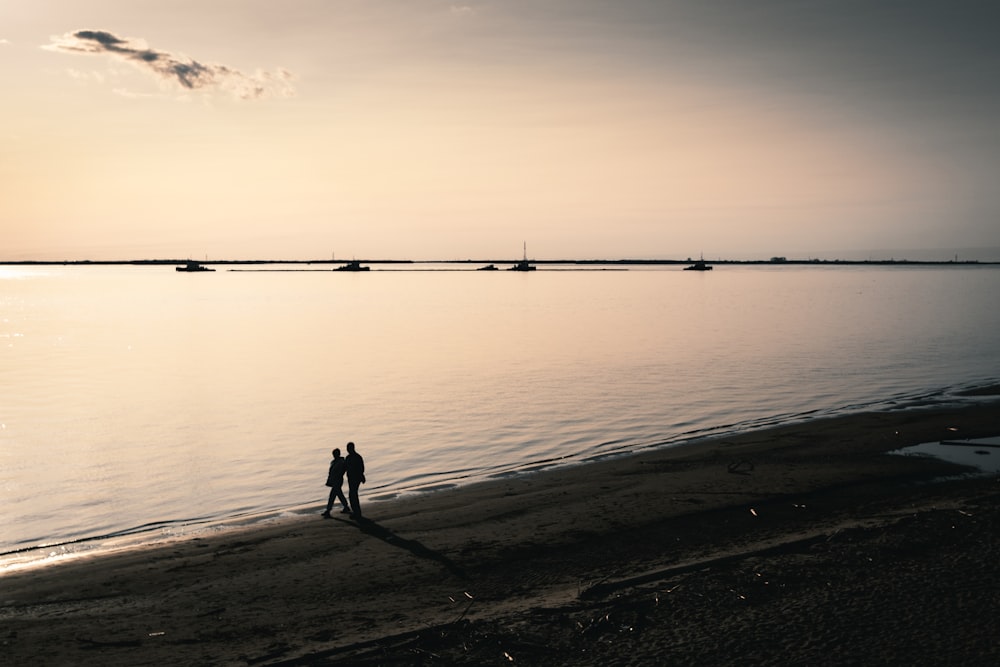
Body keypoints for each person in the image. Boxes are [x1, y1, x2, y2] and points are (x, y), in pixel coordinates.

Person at [321, 448, 350, 518]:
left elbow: (343, 470)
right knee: (339, 494)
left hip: (338, 480)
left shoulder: (341, 461)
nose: (334, 455)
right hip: (334, 480)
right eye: (333, 454)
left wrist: (339, 475)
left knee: (332, 495)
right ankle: (346, 506)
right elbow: (331, 472)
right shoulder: (334, 462)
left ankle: (328, 510)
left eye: (335, 454)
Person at [345, 441, 366, 519]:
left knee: (352, 495)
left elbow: (360, 469)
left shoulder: (352, 457)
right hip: (353, 478)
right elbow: (361, 468)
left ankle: (356, 512)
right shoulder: (356, 457)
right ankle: (356, 512)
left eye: (348, 448)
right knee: (353, 494)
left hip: (354, 478)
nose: (347, 450)